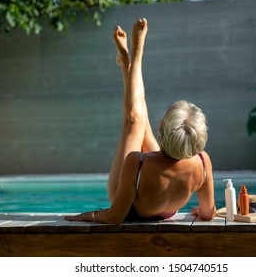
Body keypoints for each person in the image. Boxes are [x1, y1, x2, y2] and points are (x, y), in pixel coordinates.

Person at [65, 18, 216, 224]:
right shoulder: (202, 162)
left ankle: (133, 59)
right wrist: (199, 211)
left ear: (160, 127)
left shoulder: (137, 161)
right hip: (160, 204)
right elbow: (208, 214)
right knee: (137, 118)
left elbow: (115, 217)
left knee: (135, 120)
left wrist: (86, 215)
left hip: (130, 207)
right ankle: (131, 62)